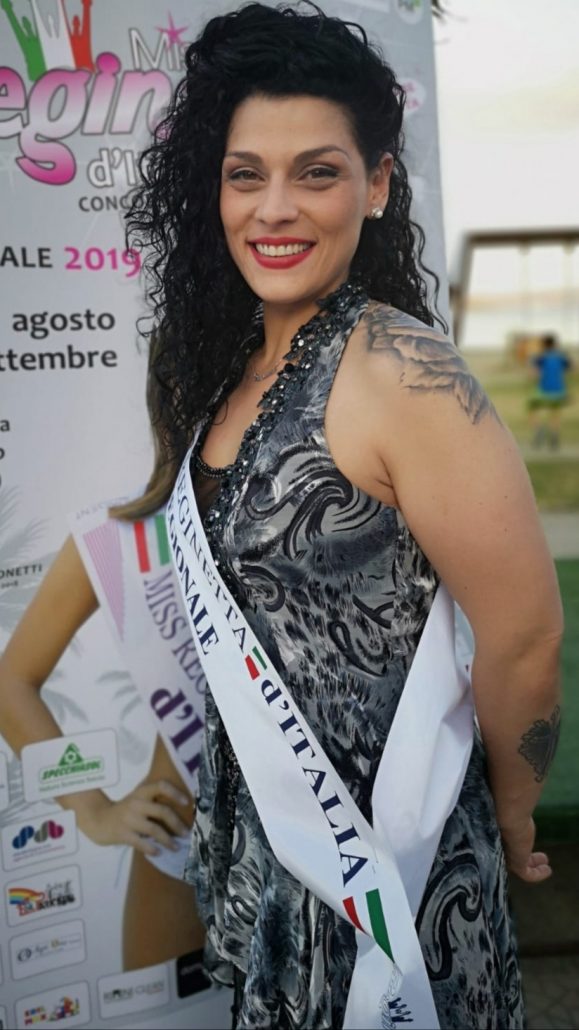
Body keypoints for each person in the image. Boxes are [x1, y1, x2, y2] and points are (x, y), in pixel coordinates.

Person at [0, 534, 205, 971]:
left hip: (312, 826)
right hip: (181, 839)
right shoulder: (122, 527)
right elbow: (10, 685)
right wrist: (93, 812)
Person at [528, 333, 572, 449]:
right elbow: (571, 367)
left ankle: (538, 429)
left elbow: (533, 371)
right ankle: (554, 434)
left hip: (544, 391)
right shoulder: (561, 356)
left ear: (544, 344)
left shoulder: (541, 357)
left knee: (532, 407)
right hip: (559, 392)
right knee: (554, 411)